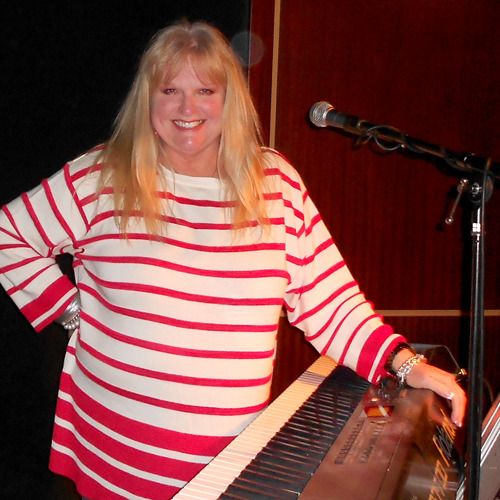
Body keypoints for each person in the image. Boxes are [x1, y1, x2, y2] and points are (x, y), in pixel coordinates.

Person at [0, 20, 466, 500]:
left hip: (231, 466)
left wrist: (406, 364)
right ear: (147, 100)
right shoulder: (102, 175)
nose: (187, 108)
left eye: (205, 90)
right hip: (119, 458)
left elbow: (332, 304)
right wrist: (71, 311)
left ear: (230, 100)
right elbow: (8, 234)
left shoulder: (276, 184)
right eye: (169, 90)